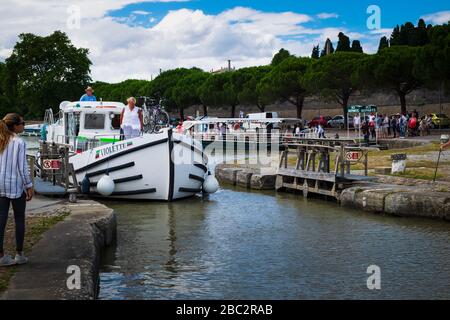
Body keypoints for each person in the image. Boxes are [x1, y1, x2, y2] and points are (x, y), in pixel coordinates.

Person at [0, 114, 34, 267]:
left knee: (1, 220)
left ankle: (1, 256)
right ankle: (19, 254)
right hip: (15, 185)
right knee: (19, 219)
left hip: (0, 186)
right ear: (15, 126)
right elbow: (22, 168)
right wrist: (29, 185)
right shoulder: (19, 142)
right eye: (22, 123)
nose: (24, 125)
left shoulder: (1, 140)